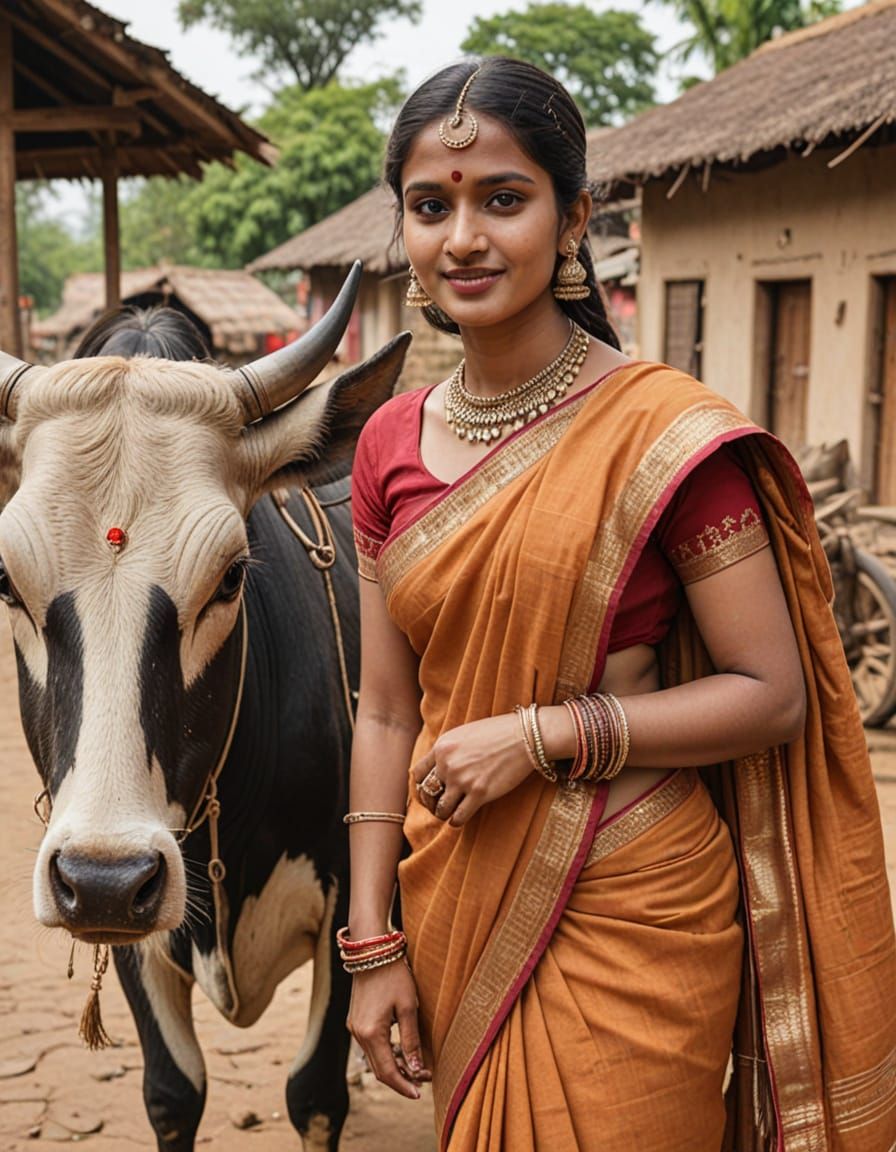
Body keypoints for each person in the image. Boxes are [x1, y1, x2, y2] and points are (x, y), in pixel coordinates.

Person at [344, 57, 896, 1152]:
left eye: (502, 199)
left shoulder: (660, 434)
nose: (462, 237)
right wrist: (370, 942)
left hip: (631, 898)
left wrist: (546, 734)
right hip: (452, 890)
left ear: (572, 218)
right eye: (430, 205)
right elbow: (384, 714)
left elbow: (770, 695)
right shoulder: (386, 444)